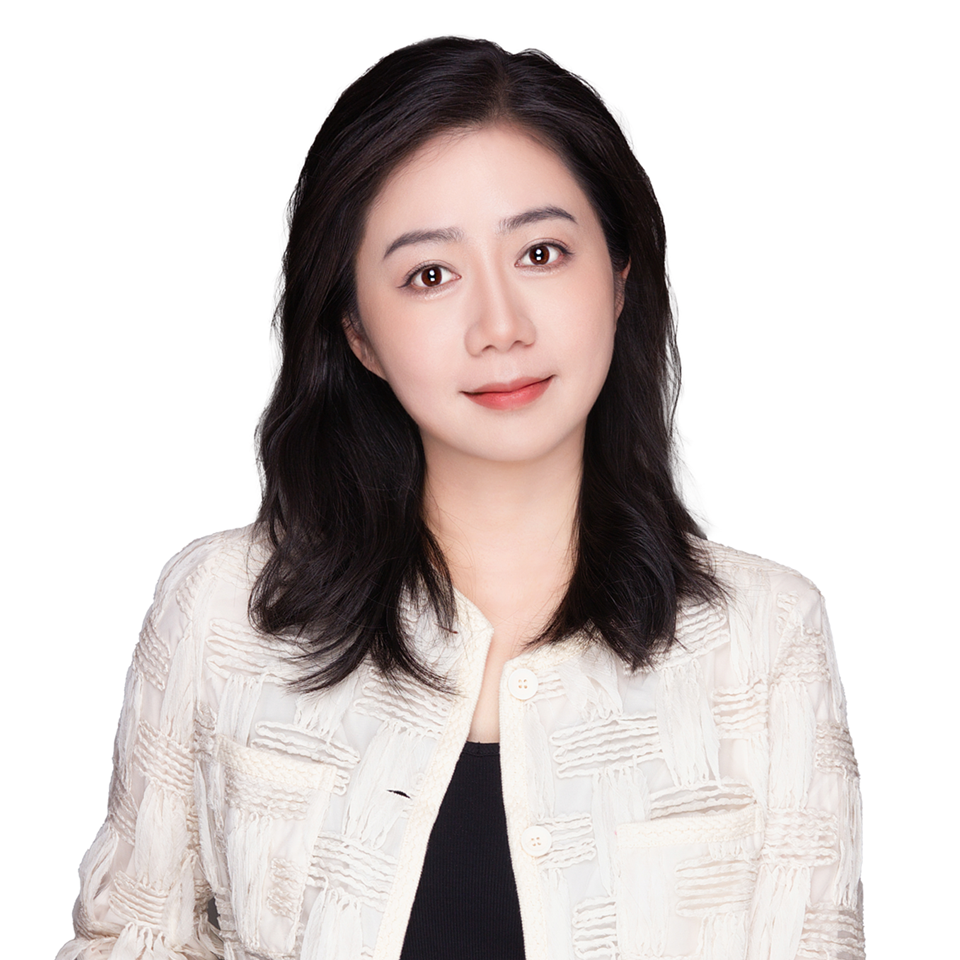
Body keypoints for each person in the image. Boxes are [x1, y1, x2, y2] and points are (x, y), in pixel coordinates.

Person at [58, 37, 863, 960]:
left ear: (619, 279)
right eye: (430, 275)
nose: (500, 327)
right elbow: (128, 941)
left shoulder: (766, 642)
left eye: (543, 253)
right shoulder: (221, 612)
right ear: (357, 330)